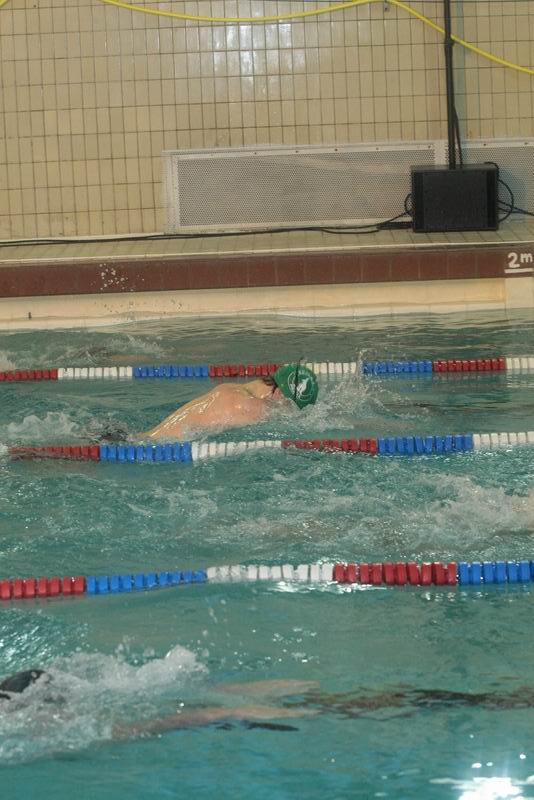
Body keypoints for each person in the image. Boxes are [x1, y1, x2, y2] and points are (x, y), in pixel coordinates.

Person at [140, 362, 319, 441]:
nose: (288, 409)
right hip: (157, 447)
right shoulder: (251, 406)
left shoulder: (233, 388)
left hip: (144, 439)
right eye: (289, 404)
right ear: (279, 393)